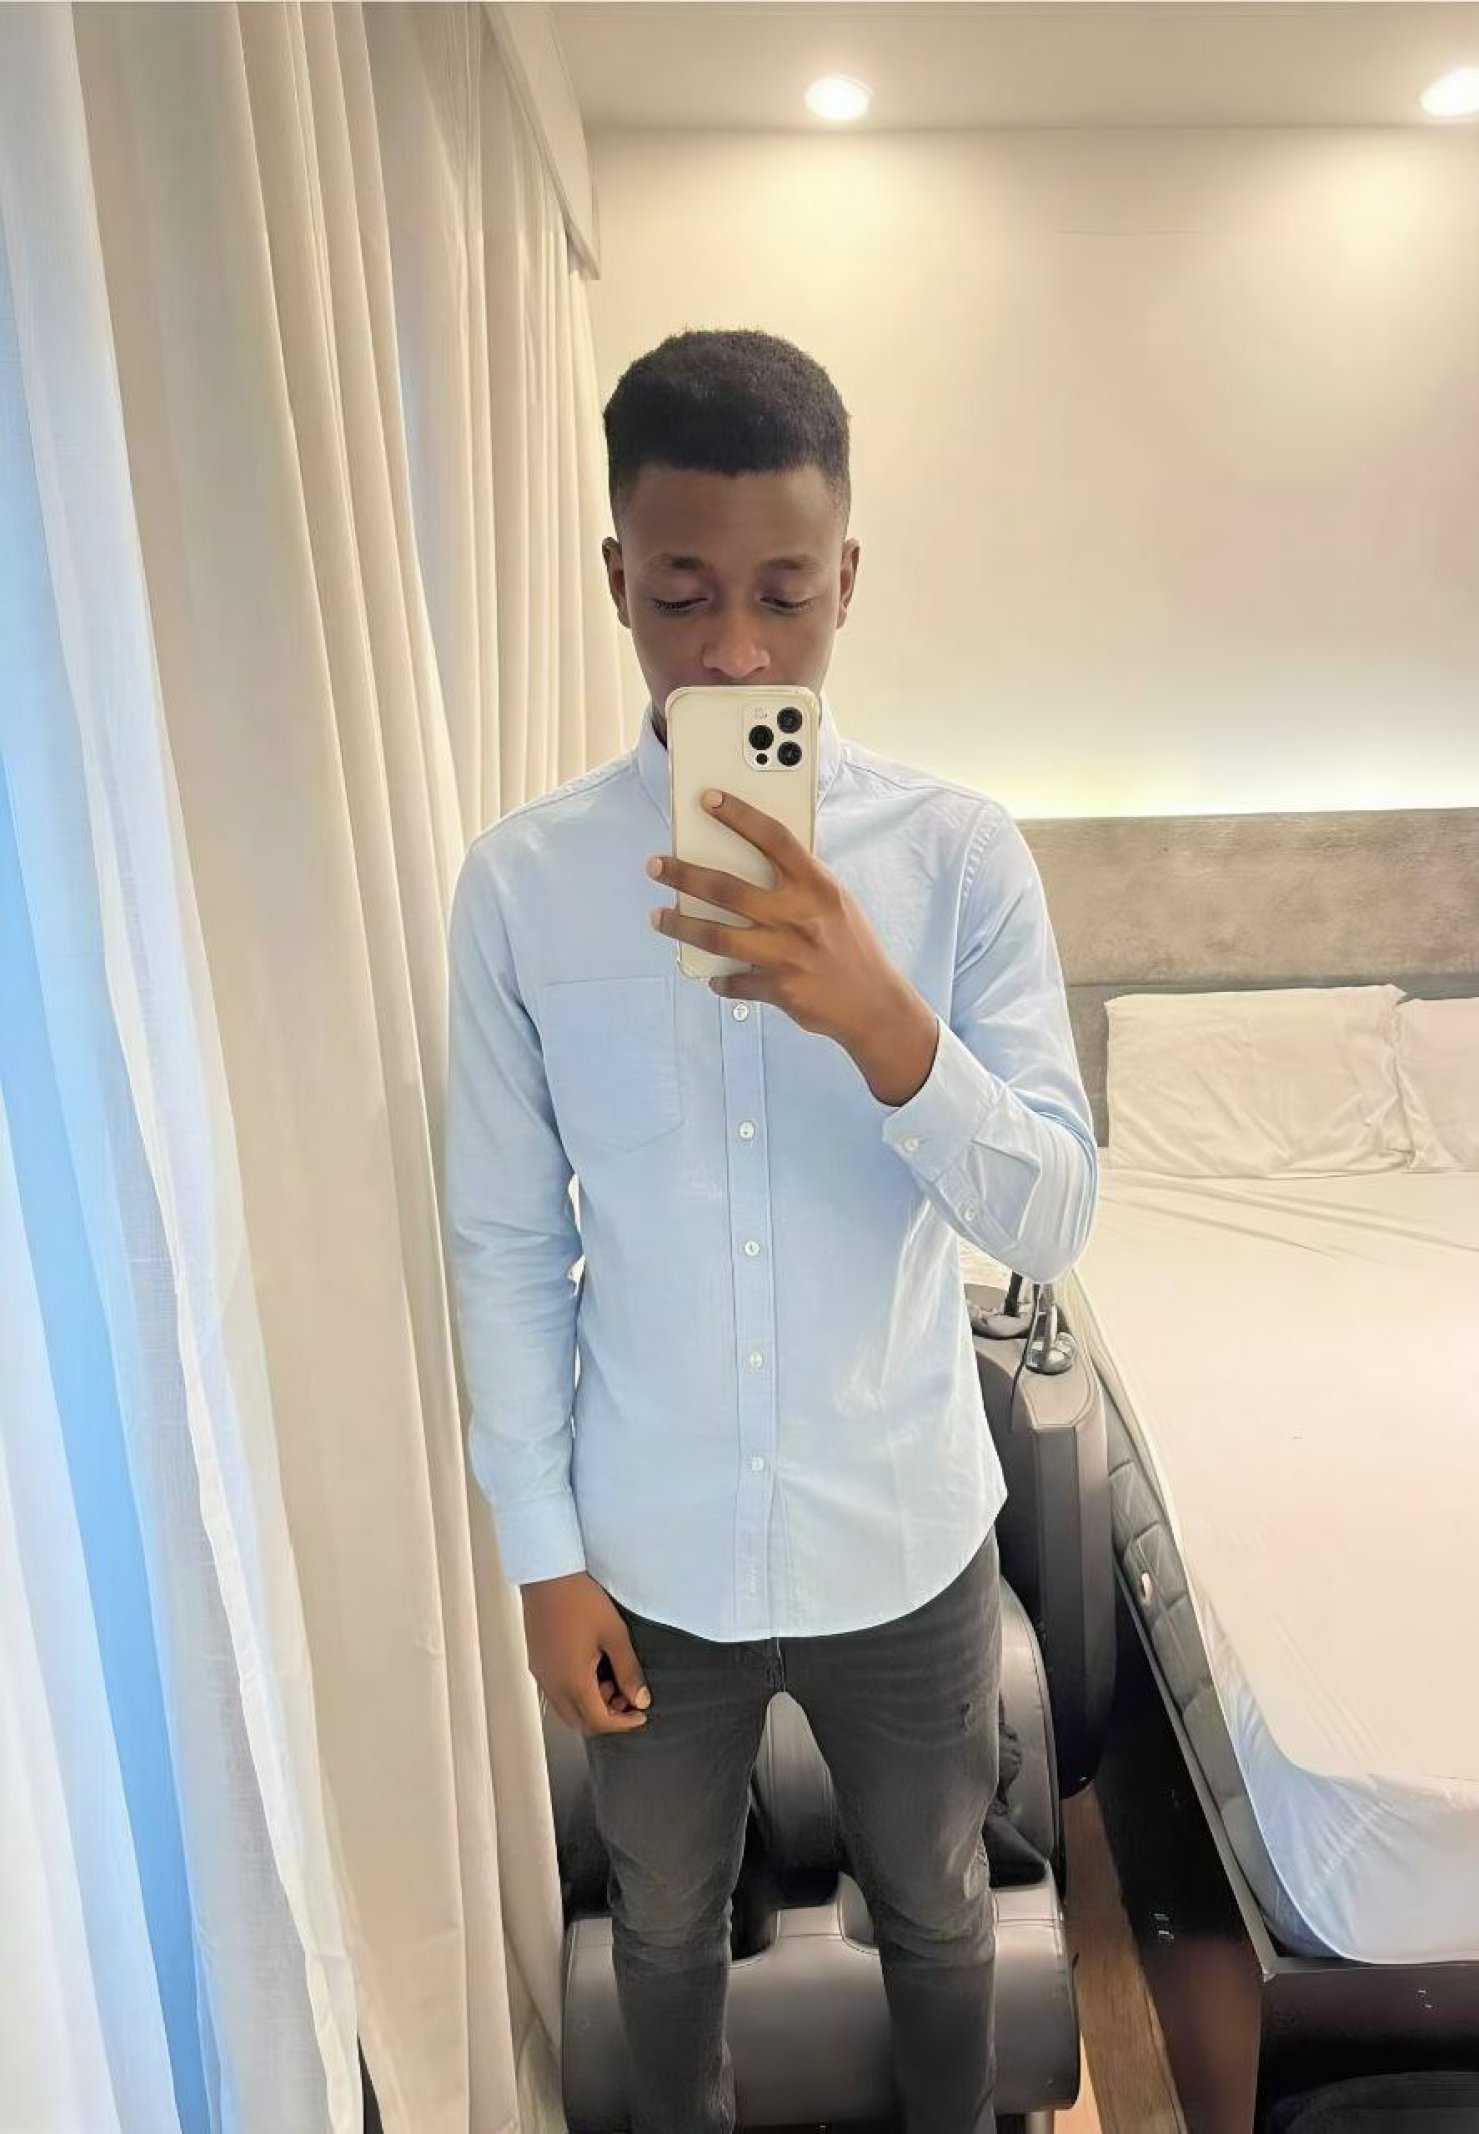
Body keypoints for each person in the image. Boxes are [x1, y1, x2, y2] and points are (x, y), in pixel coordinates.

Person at [445, 328, 1097, 2134]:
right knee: (660, 1921)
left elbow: (1055, 1207)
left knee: (940, 1907)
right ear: (616, 581)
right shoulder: (522, 886)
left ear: (849, 579)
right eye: (682, 595)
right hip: (645, 1545)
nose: (734, 650)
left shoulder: (959, 858)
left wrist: (887, 1024)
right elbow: (505, 1240)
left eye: (784, 595)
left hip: (904, 1527)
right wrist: (541, 1554)